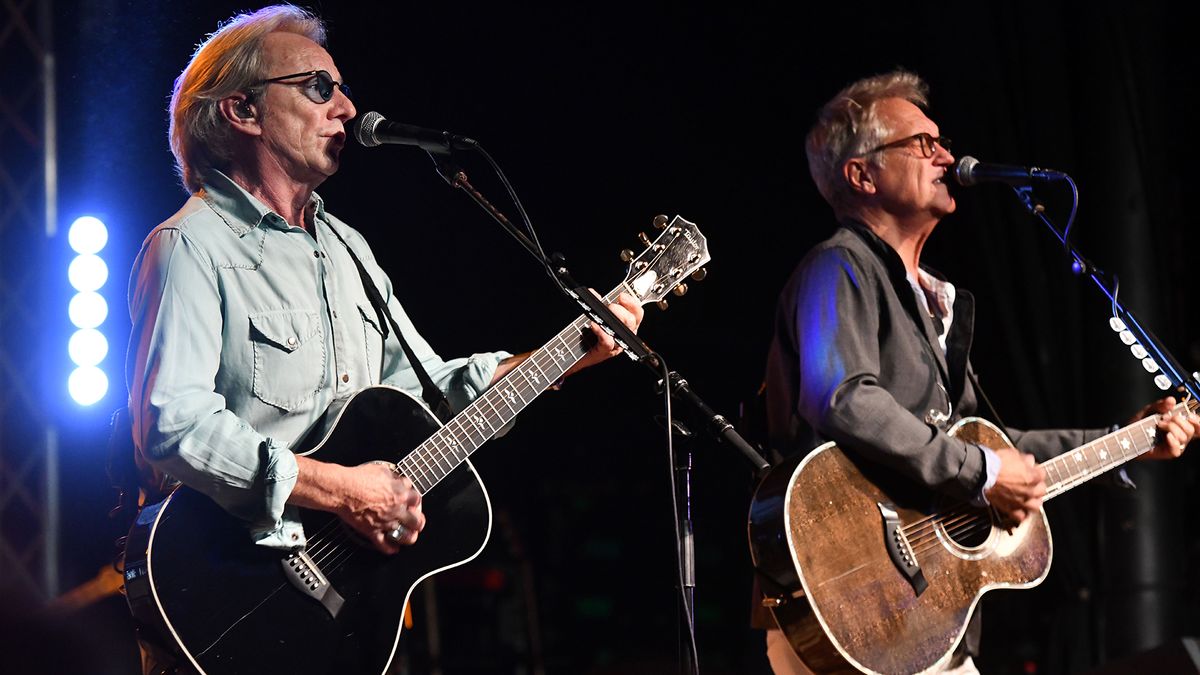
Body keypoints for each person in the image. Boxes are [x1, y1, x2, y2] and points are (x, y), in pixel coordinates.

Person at [124, 5, 642, 673]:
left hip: (348, 620)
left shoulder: (349, 250)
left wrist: (569, 356)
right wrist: (340, 489)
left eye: (341, 88)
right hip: (226, 600)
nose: (347, 106)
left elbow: (429, 395)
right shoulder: (190, 245)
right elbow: (172, 423)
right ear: (242, 112)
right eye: (318, 87)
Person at [758, 70, 1197, 674]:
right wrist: (982, 470)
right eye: (920, 144)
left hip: (925, 617)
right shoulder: (839, 267)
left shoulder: (933, 302)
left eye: (940, 140)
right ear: (861, 174)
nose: (946, 154)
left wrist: (1128, 441)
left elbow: (993, 444)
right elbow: (843, 397)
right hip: (853, 600)